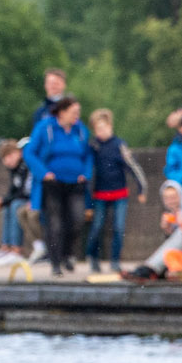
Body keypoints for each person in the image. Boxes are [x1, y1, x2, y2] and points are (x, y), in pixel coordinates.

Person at [24, 96, 92, 277]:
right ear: (62, 113)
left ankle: (67, 253)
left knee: (77, 220)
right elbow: (29, 152)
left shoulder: (80, 130)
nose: (77, 115)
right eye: (74, 112)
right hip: (52, 183)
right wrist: (43, 172)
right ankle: (55, 263)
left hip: (75, 184)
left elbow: (88, 155)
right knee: (54, 224)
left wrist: (85, 174)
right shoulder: (45, 127)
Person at [80, 108, 144, 276]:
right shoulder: (93, 146)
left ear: (110, 126)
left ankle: (115, 260)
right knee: (97, 227)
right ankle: (93, 257)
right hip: (100, 194)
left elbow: (133, 167)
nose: (102, 132)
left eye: (104, 128)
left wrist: (141, 188)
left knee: (118, 227)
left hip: (119, 193)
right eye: (98, 129)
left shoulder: (119, 144)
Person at [0, 140, 37, 269]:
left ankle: (16, 250)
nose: (8, 161)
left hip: (31, 199)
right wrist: (2, 202)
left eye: (11, 156)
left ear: (18, 153)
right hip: (23, 198)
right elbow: (13, 191)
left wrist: (2, 201)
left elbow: (25, 191)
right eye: (5, 158)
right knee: (8, 206)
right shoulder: (14, 169)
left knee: (15, 205)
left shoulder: (25, 165)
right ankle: (6, 248)